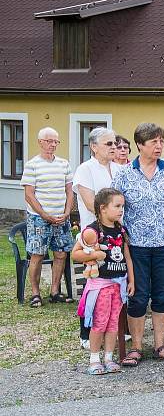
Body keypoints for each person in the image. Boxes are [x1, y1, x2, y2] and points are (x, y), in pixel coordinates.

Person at [112, 122, 164, 366]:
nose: (159, 145)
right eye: (153, 141)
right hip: (136, 246)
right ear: (140, 145)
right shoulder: (124, 173)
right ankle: (136, 347)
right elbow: (116, 208)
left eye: (161, 141)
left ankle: (160, 344)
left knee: (163, 294)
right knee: (139, 295)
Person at [72, 188, 133, 375]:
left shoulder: (121, 230)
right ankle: (94, 359)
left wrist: (131, 280)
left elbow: (127, 257)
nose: (121, 210)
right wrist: (95, 254)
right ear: (103, 208)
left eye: (122, 206)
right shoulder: (93, 231)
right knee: (100, 322)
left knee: (114, 322)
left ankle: (108, 357)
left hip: (118, 284)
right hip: (100, 285)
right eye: (117, 206)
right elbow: (75, 254)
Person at [20, 127, 75, 308]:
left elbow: (69, 191)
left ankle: (55, 291)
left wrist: (67, 212)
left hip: (61, 217)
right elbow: (29, 194)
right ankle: (35, 293)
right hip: (39, 218)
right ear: (40, 142)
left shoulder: (64, 164)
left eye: (56, 141)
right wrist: (45, 215)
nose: (53, 145)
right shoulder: (32, 165)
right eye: (49, 141)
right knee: (37, 255)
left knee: (60, 254)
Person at [73, 127, 121, 229]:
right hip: (95, 231)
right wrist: (115, 219)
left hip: (119, 230)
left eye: (115, 143)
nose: (113, 147)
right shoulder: (85, 169)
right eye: (109, 144)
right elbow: (91, 205)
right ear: (94, 147)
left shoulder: (119, 169)